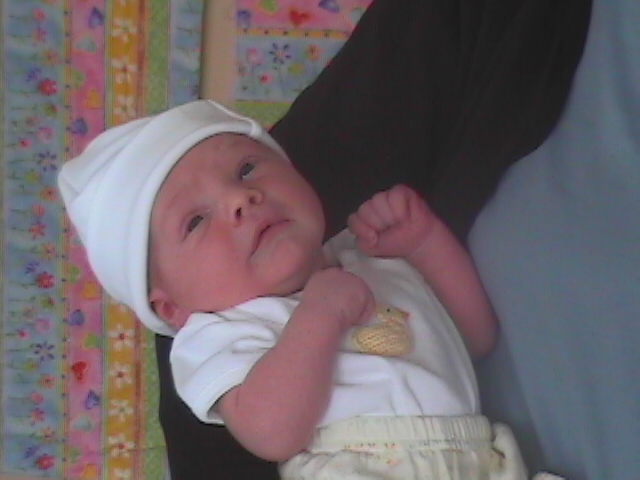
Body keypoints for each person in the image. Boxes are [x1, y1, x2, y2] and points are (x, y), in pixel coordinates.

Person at [58, 99, 561, 479]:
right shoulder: (219, 334)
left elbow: (476, 336)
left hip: (482, 456)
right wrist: (317, 316)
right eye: (195, 221)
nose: (240, 197)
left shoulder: (372, 256)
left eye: (247, 168)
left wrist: (427, 242)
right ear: (172, 308)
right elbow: (271, 432)